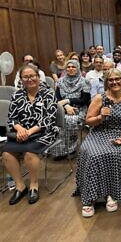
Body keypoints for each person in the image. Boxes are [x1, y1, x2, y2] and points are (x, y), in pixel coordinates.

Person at [77, 68, 121, 217]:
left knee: (113, 153)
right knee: (92, 154)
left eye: (117, 79)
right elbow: (88, 121)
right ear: (106, 82)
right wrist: (100, 118)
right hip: (98, 133)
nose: (114, 82)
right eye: (111, 80)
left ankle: (111, 193)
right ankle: (89, 198)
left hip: (119, 134)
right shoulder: (99, 98)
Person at [2, 64, 58, 205]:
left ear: (38, 77)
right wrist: (20, 129)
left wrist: (29, 131)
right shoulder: (17, 95)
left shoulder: (48, 94)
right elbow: (12, 118)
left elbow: (49, 119)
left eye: (32, 76)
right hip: (21, 132)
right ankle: (20, 186)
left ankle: (34, 185)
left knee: (29, 153)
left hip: (45, 132)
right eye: (25, 77)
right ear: (21, 79)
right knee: (7, 153)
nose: (29, 79)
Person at [50, 60, 90, 160]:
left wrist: (68, 100)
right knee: (53, 120)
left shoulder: (84, 81)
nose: (70, 69)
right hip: (62, 107)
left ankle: (71, 149)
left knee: (69, 120)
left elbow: (85, 100)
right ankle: (59, 151)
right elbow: (57, 98)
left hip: (79, 108)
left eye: (73, 67)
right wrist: (66, 106)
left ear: (78, 68)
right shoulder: (60, 81)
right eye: (68, 67)